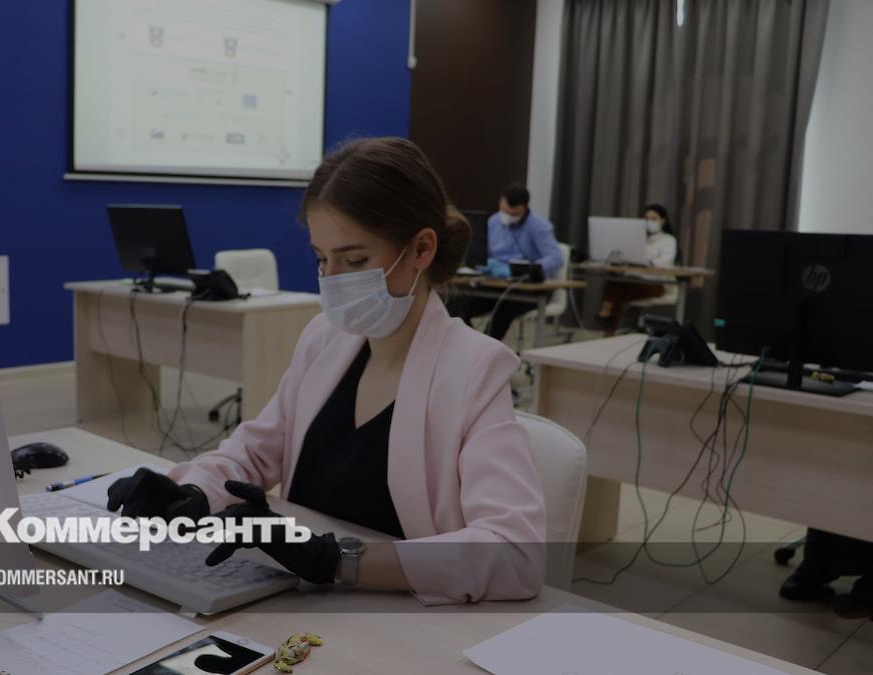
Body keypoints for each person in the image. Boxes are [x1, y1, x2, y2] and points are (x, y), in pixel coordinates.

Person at [107, 138, 546, 603]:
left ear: (421, 249)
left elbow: (516, 554)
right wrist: (194, 491)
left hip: (396, 618)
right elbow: (254, 452)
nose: (332, 279)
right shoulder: (325, 339)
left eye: (354, 261)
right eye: (321, 258)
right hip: (291, 603)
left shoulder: (474, 368)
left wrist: (339, 560)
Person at [445, 183, 564, 341]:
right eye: (506, 211)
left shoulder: (539, 226)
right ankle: (470, 343)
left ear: (524, 208)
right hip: (496, 285)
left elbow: (555, 258)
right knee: (457, 302)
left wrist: (527, 269)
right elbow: (484, 253)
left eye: (514, 214)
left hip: (528, 290)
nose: (509, 216)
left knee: (504, 307)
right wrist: (485, 265)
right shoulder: (494, 222)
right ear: (501, 202)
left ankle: (488, 347)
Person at [596, 203, 678, 336]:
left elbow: (666, 261)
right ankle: (609, 326)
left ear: (663, 220)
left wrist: (647, 262)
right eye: (646, 219)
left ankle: (607, 310)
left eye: (654, 219)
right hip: (633, 280)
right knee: (617, 278)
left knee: (621, 289)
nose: (649, 222)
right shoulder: (638, 239)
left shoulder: (669, 240)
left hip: (656, 284)